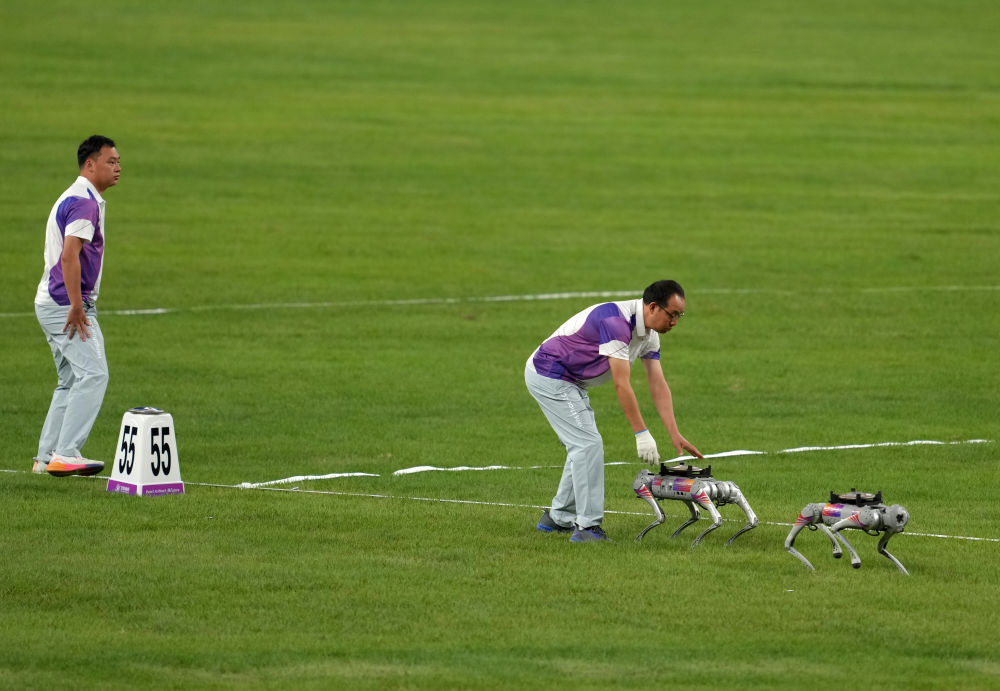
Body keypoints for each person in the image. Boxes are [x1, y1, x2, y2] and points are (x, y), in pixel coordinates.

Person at [525, 280, 703, 542]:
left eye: (680, 315)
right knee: (587, 445)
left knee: (583, 445)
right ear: (653, 307)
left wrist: (674, 432)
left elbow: (657, 383)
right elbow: (622, 384)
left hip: (571, 381)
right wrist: (641, 433)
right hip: (550, 374)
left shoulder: (649, 335)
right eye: (672, 314)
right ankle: (587, 528)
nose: (675, 321)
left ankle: (558, 518)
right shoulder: (616, 323)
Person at [32, 135, 121, 477]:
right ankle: (66, 453)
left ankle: (45, 458)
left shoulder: (76, 196)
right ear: (90, 164)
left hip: (49, 300)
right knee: (94, 373)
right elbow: (70, 256)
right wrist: (75, 305)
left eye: (118, 162)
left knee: (69, 380)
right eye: (110, 161)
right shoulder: (84, 201)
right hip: (64, 303)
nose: (118, 168)